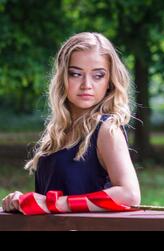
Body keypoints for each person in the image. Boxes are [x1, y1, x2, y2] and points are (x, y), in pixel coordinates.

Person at [1, 32, 141, 213]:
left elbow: (129, 194)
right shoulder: (57, 132)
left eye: (98, 75)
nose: (86, 84)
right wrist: (22, 201)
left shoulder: (107, 129)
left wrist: (54, 204)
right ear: (62, 77)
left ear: (109, 81)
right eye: (75, 74)